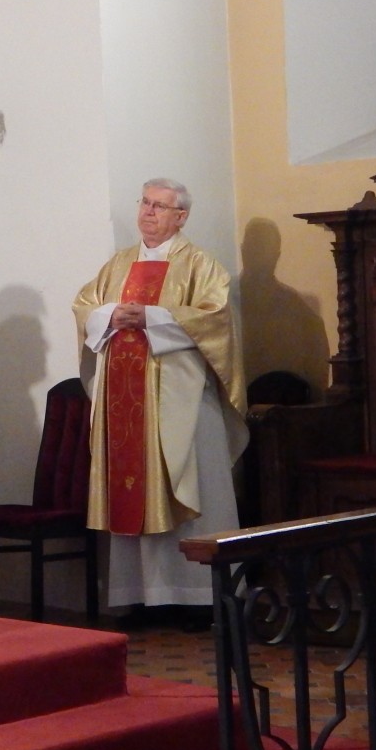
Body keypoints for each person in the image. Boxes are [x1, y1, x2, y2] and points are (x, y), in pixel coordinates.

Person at [73, 178, 248, 629]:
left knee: (191, 486)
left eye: (160, 206)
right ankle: (140, 596)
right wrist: (110, 314)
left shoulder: (201, 266)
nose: (148, 212)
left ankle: (199, 597)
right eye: (145, 203)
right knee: (133, 491)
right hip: (125, 403)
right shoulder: (118, 265)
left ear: (181, 216)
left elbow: (215, 320)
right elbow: (85, 305)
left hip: (181, 403)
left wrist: (150, 317)